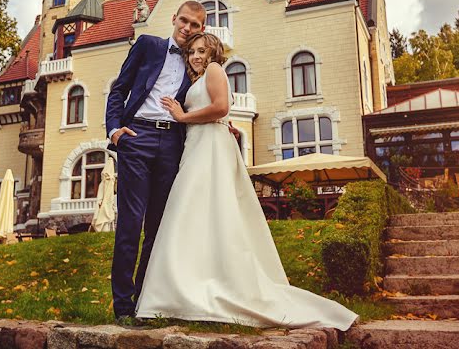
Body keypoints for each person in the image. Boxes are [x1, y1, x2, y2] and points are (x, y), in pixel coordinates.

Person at [135, 32, 358, 330]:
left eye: (203, 51)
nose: (196, 56)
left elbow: (222, 108)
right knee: (193, 212)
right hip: (197, 145)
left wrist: (182, 116)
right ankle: (183, 286)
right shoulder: (196, 79)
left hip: (210, 147)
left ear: (214, 52)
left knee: (198, 205)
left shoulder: (214, 71)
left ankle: (192, 288)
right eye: (192, 52)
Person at [106, 0, 207, 320]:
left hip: (172, 144)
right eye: (184, 21)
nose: (187, 28)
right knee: (130, 223)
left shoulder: (197, 62)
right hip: (137, 138)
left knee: (158, 227)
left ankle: (144, 301)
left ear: (201, 29)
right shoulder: (148, 45)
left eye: (194, 25)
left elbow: (204, 98)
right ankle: (122, 306)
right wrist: (114, 131)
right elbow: (118, 89)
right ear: (174, 19)